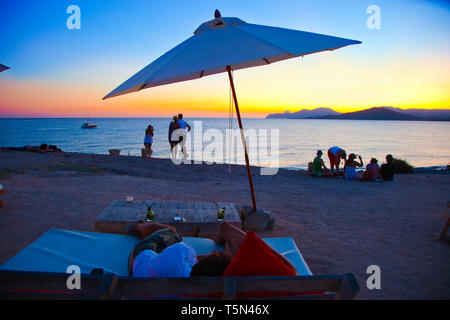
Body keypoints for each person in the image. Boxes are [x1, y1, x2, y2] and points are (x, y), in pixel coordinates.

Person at [127, 221, 296, 278]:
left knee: (168, 231)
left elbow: (175, 253)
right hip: (160, 266)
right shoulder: (203, 282)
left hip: (141, 257)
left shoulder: (182, 254)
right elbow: (292, 271)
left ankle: (139, 225)